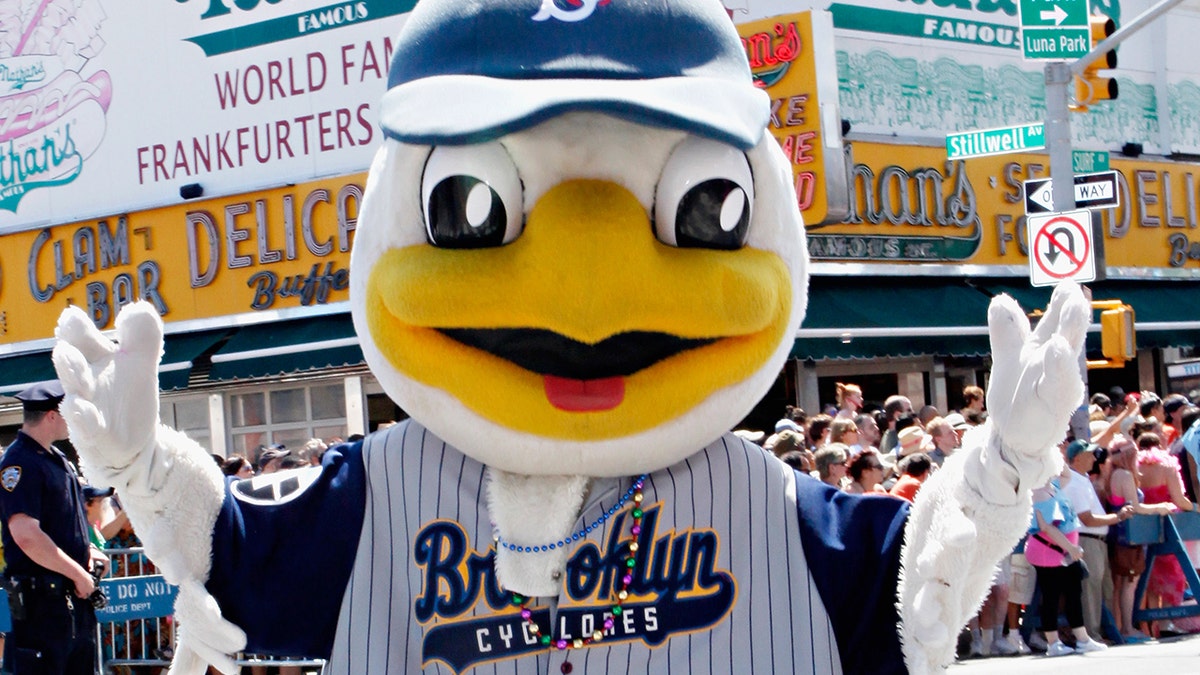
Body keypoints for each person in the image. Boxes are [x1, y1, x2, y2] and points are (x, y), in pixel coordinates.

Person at [0, 380, 105, 674]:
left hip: (69, 602)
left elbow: (64, 522)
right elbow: (27, 536)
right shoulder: (19, 463)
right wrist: (78, 574)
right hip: (42, 606)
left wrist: (89, 551)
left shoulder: (57, 459)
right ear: (52, 415)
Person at [1025, 467, 1108, 657]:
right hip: (1048, 551)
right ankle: (1053, 643)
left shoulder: (1053, 486)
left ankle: (1083, 639)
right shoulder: (1037, 493)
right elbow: (1046, 527)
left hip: (1065, 551)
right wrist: (1070, 548)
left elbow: (1067, 474)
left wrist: (1055, 455)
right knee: (1051, 596)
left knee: (1073, 593)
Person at [1060, 440, 1132, 642]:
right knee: (1090, 589)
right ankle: (1090, 635)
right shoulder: (1074, 482)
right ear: (1077, 458)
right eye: (1089, 454)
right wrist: (1118, 517)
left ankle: (1101, 633)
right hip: (1087, 540)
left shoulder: (1082, 479)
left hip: (1096, 540)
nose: (1093, 458)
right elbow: (1087, 519)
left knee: (1103, 588)